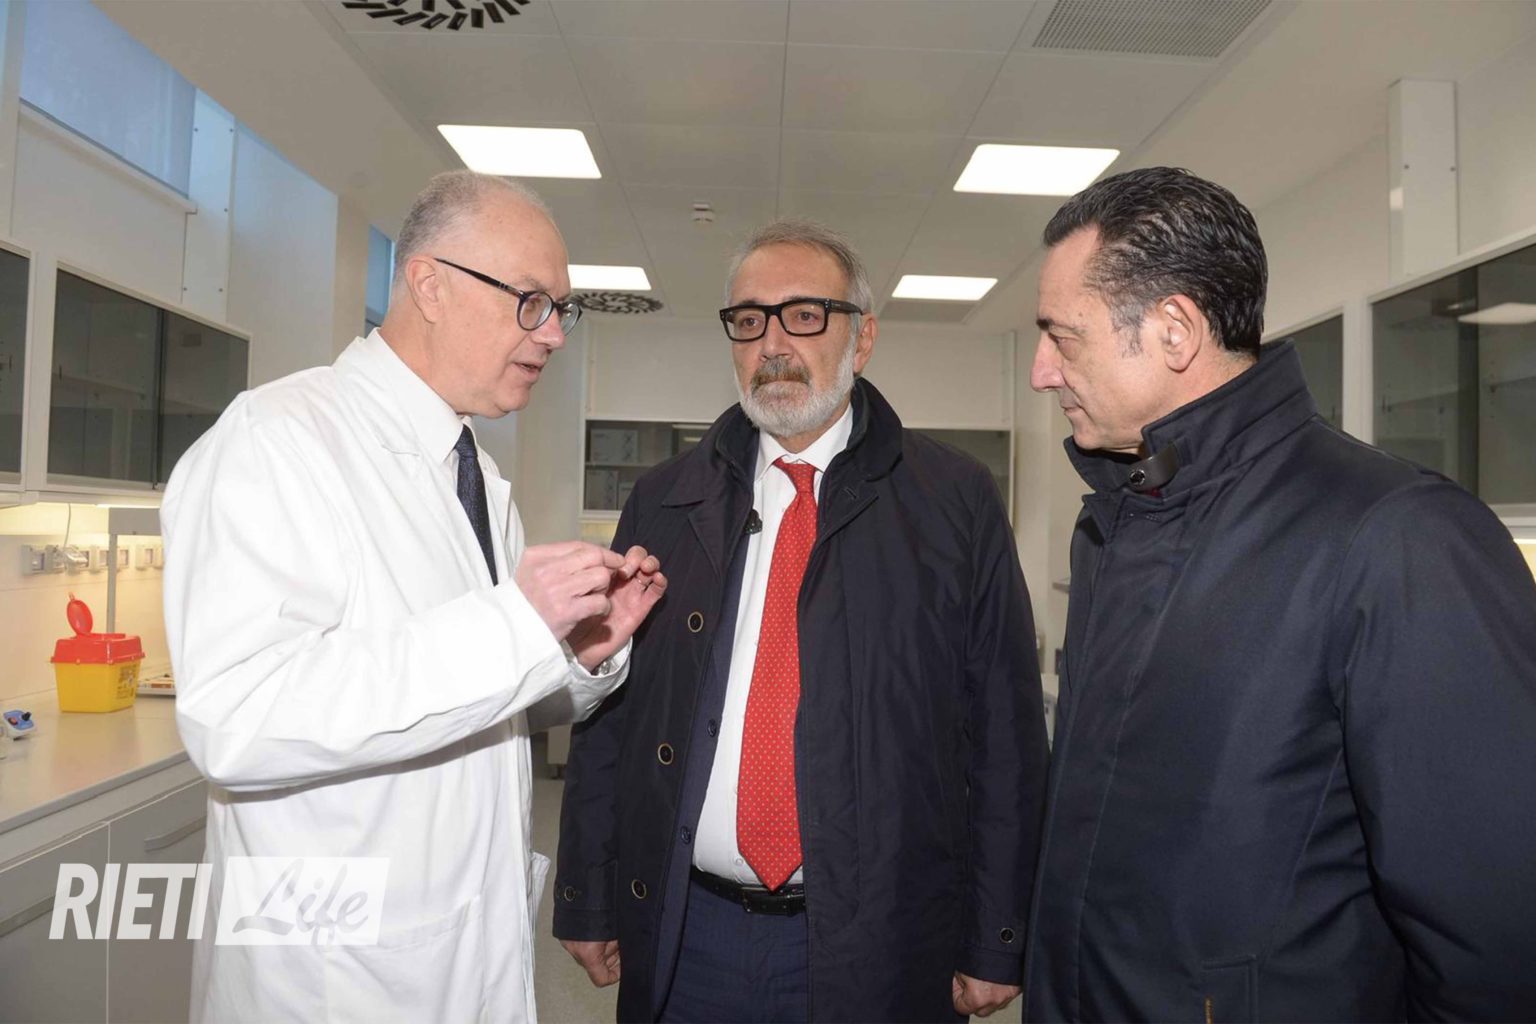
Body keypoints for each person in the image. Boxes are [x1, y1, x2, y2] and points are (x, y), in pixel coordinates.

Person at [1025, 166, 1536, 1020]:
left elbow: (1497, 943)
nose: (1043, 372)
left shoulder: (1401, 537)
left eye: (1062, 337)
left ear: (1175, 331)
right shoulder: (1117, 519)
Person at [161, 170, 666, 1022]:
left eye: (561, 310)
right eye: (531, 302)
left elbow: (483, 699)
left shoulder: (476, 478)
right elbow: (235, 717)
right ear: (430, 284)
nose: (553, 335)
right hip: (334, 980)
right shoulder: (277, 440)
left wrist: (579, 655)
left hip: (465, 950)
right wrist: (514, 625)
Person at [554, 219, 1048, 1023]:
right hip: (690, 932)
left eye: (805, 315)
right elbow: (612, 713)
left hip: (881, 938)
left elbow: (1004, 732)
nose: (773, 344)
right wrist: (588, 890)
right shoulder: (665, 500)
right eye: (749, 320)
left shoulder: (953, 502)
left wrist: (998, 934)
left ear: (862, 339)